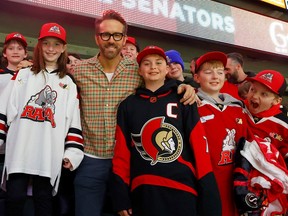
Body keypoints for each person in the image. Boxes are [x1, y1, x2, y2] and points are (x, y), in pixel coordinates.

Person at [72, 9, 196, 216]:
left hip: (132, 161)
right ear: (96, 38)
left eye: (117, 35)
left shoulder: (137, 69)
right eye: (105, 35)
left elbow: (161, 86)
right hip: (90, 159)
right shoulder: (80, 70)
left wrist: (184, 88)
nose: (111, 40)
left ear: (124, 39)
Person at [110, 45, 221, 216]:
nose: (153, 67)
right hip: (143, 191)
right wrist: (120, 195)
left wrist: (209, 196)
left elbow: (200, 149)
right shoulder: (128, 105)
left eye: (159, 62)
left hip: (182, 189)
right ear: (139, 71)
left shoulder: (184, 98)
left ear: (167, 68)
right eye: (147, 63)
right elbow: (121, 154)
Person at [0, 22, 84, 216]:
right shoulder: (22, 75)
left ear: (63, 48)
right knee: (14, 198)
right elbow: (5, 108)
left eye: (56, 44)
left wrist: (72, 152)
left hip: (48, 152)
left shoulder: (68, 84)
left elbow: (73, 120)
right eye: (46, 43)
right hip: (20, 148)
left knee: (44, 201)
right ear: (39, 45)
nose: (51, 49)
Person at [193, 51, 250, 216]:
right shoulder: (190, 104)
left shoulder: (237, 107)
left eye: (219, 72)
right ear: (196, 78)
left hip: (235, 182)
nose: (215, 76)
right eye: (208, 72)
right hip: (205, 180)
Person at [234, 69, 288, 215]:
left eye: (264, 94)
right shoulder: (235, 108)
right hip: (230, 182)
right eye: (253, 90)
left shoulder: (283, 126)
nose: (255, 96)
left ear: (276, 101)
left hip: (262, 195)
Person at [0, 32, 28, 215]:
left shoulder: (31, 77)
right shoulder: (1, 76)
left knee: (15, 195)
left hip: (19, 144)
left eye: (20, 48)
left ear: (26, 53)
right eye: (11, 48)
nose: (15, 51)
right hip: (1, 141)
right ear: (4, 53)